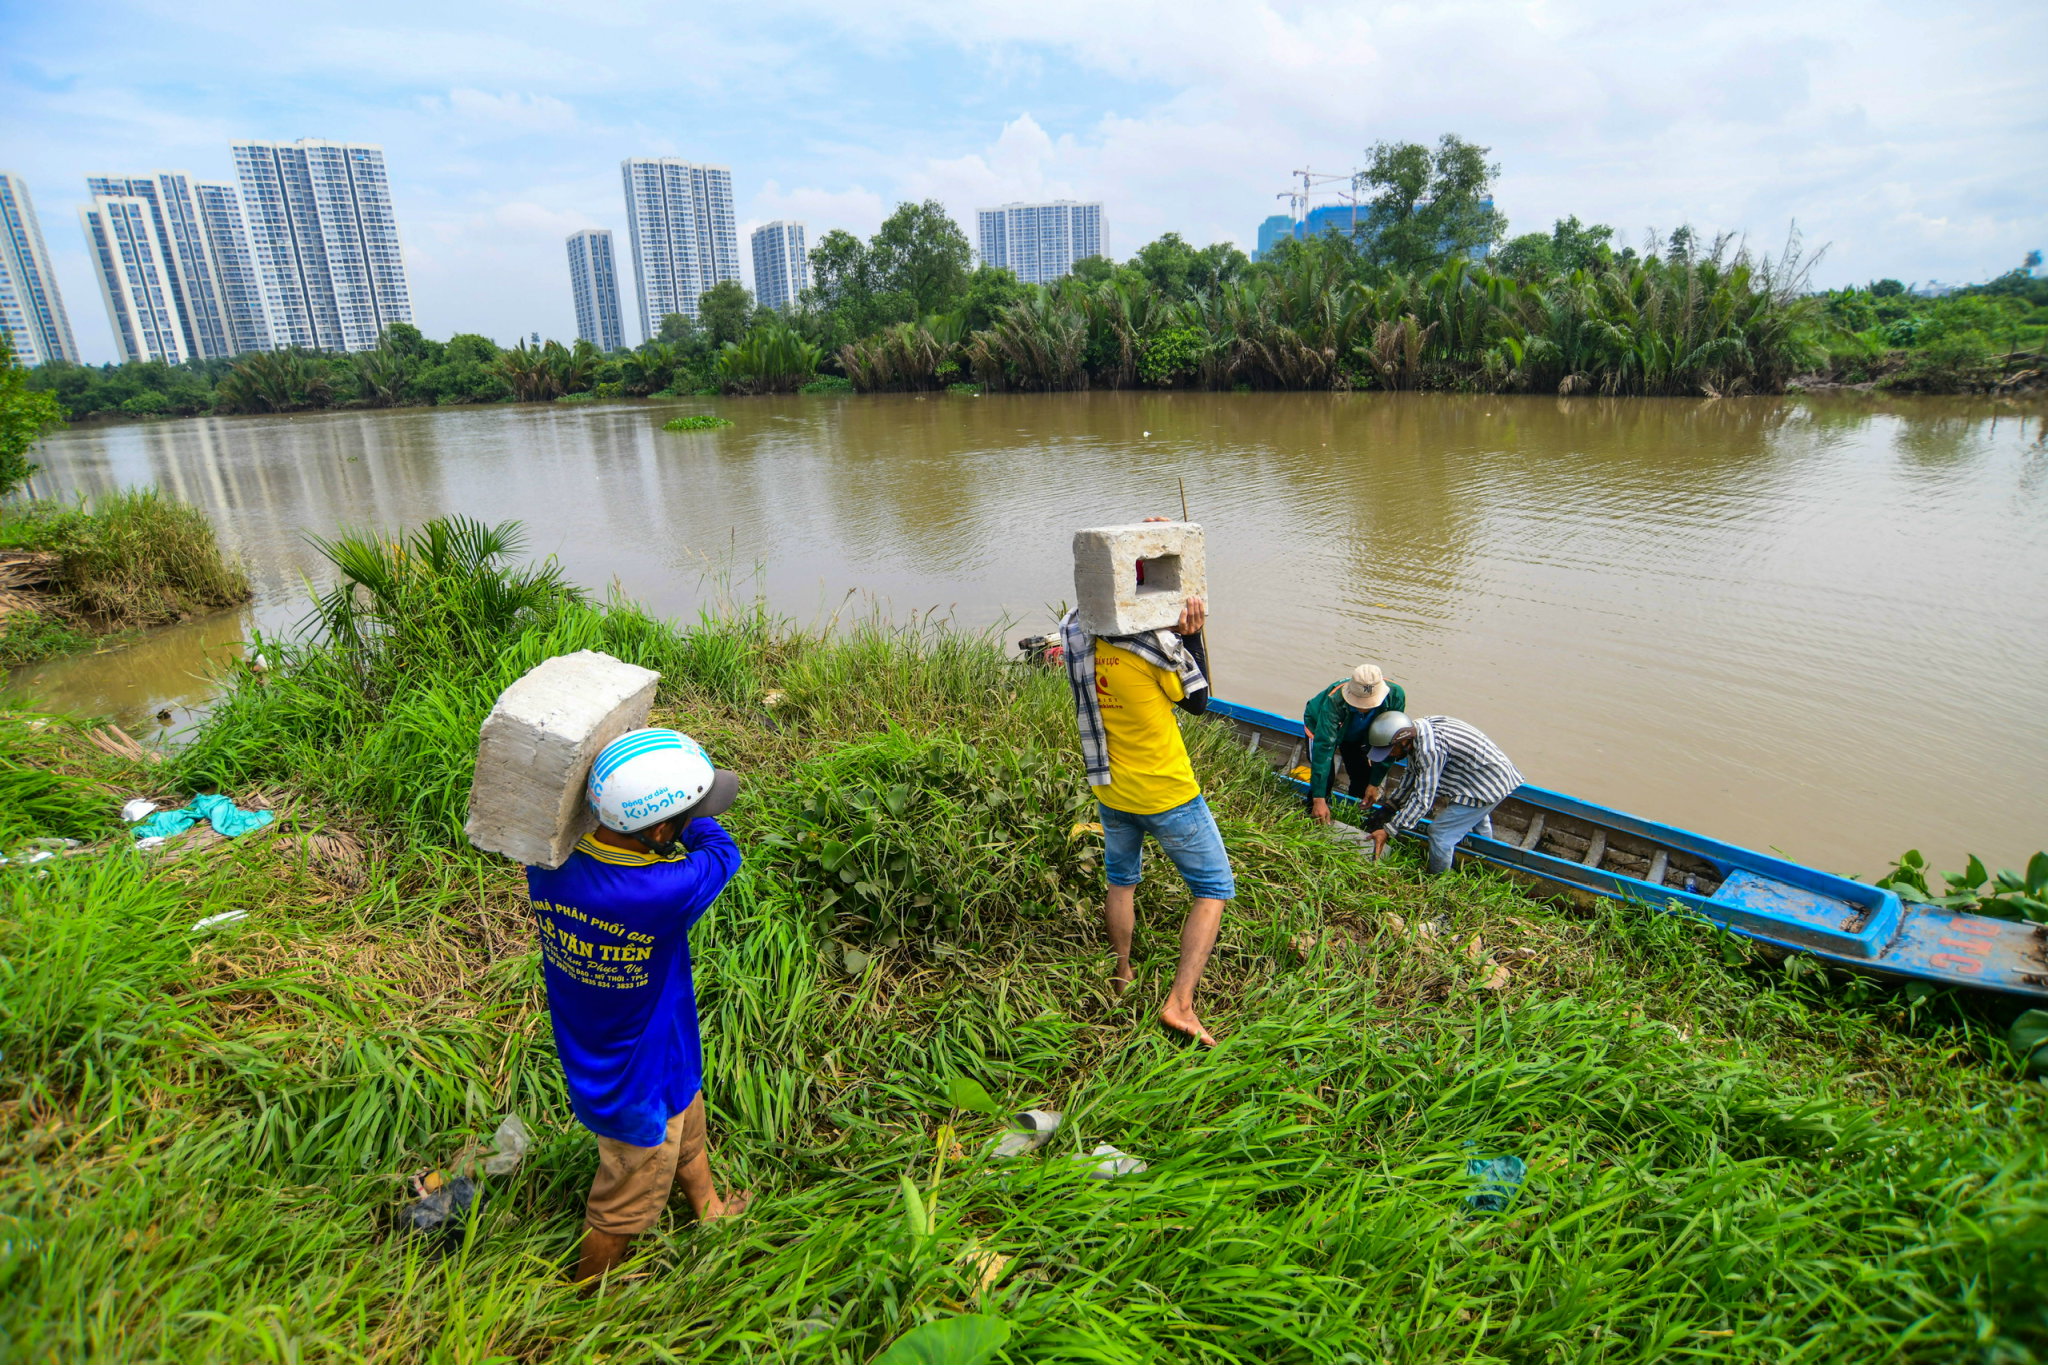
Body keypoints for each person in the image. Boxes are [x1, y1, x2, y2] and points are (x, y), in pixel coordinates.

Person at [525, 727, 750, 1284]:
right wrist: (692, 814)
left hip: (645, 1045)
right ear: (660, 828)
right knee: (621, 1202)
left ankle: (710, 1212)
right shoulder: (662, 892)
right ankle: (585, 1299)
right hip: (635, 1079)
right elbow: (723, 851)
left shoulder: (547, 866)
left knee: (687, 1122)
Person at [1059, 581, 1232, 1048]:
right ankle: (1180, 1004)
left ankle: (1121, 973)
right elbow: (1199, 701)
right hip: (1167, 794)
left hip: (1111, 789)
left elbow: (1106, 574)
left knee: (1122, 880)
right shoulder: (1152, 648)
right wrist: (1191, 637)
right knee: (1213, 888)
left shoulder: (1076, 634)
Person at [1367, 714, 1523, 874]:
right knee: (1476, 820)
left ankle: (1439, 881)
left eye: (1391, 750)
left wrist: (1389, 830)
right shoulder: (1418, 732)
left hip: (1486, 784)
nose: (1390, 755)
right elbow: (1413, 774)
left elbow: (1423, 799)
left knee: (1440, 834)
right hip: (1477, 775)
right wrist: (1390, 807)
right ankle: (1484, 860)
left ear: (1404, 741)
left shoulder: (1429, 749)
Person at [1301, 663, 1408, 823]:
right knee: (1326, 777)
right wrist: (1318, 799)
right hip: (1321, 726)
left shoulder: (1396, 696)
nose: (1363, 708)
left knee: (1362, 775)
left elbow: (1389, 742)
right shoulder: (1334, 700)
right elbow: (1324, 749)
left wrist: (1374, 783)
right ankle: (1313, 813)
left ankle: (1351, 814)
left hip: (1360, 733)